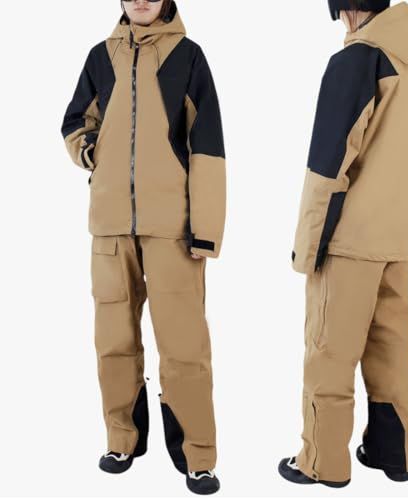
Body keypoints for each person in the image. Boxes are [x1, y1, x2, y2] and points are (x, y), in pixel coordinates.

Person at [60, 0, 226, 495]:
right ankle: (121, 440)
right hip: (111, 227)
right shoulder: (100, 56)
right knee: (113, 342)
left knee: (184, 347)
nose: (141, 0)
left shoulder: (188, 57)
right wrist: (93, 152)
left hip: (172, 229)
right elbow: (74, 122)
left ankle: (197, 455)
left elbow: (208, 146)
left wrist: (205, 230)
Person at [279, 0, 408, 489]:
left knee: (329, 353)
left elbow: (328, 162)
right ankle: (392, 454)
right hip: (398, 237)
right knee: (392, 350)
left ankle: (321, 463)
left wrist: (308, 245)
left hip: (349, 241)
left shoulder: (355, 60)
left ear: (343, 9)